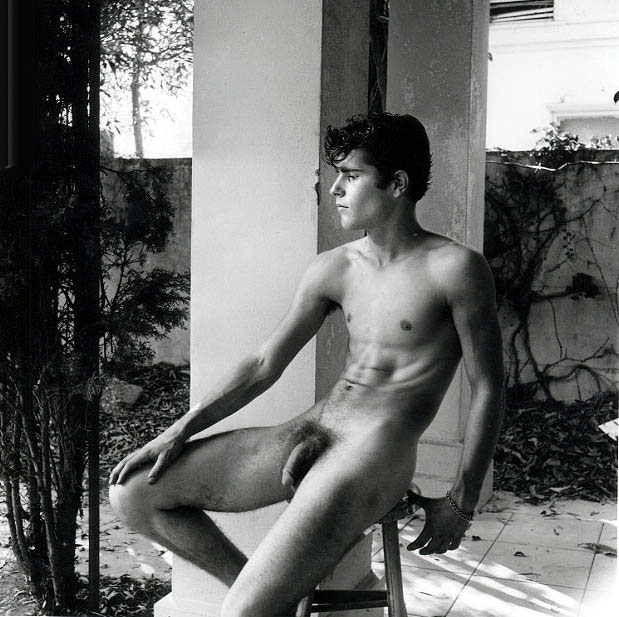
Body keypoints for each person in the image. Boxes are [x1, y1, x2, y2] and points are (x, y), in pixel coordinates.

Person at [108, 112, 505, 617]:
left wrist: (461, 502)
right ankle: (265, 602)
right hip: (317, 426)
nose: (335, 188)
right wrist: (179, 430)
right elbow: (263, 363)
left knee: (240, 613)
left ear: (397, 184)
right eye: (337, 174)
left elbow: (488, 385)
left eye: (352, 175)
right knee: (133, 494)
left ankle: (256, 605)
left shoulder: (456, 268)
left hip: (375, 452)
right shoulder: (334, 266)